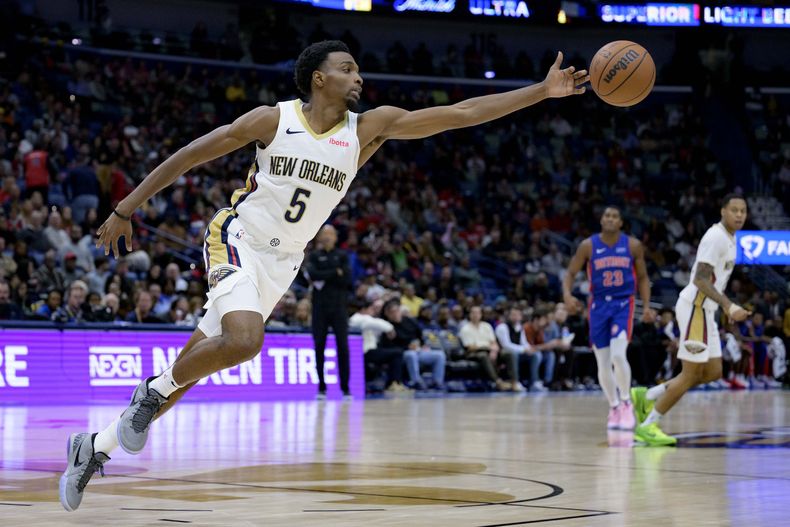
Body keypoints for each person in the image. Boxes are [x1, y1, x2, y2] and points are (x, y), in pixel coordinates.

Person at [61, 39, 588, 511]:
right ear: (320, 77)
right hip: (236, 237)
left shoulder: (368, 129)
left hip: (285, 261)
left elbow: (461, 113)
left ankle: (94, 447)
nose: (359, 77)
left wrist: (540, 92)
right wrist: (126, 208)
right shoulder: (273, 119)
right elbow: (192, 155)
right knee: (245, 342)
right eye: (348, 68)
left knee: (193, 368)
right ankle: (148, 394)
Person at [631, 195, 750, 446]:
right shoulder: (715, 237)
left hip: (706, 311)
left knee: (713, 371)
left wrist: (722, 308)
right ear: (722, 211)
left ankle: (647, 395)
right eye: (734, 210)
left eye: (743, 211)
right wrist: (728, 305)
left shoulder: (731, 239)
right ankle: (648, 425)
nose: (739, 215)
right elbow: (700, 280)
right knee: (690, 374)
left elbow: (715, 281)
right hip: (695, 308)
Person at [563, 206, 654, 431]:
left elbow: (642, 277)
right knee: (602, 362)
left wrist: (648, 307)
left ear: (621, 222)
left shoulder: (632, 245)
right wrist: (567, 295)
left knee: (617, 355)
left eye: (615, 216)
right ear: (601, 220)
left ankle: (625, 402)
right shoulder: (588, 245)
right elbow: (571, 273)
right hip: (598, 305)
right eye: (607, 216)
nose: (610, 219)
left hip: (623, 303)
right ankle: (613, 407)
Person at [306, 224, 352, 399]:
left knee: (343, 347)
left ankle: (345, 388)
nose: (327, 237)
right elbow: (313, 274)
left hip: (339, 307)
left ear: (335, 237)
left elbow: (347, 278)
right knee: (319, 346)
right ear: (318, 237)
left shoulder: (342, 255)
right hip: (320, 308)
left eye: (330, 234)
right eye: (324, 234)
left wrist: (326, 274)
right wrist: (335, 272)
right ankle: (321, 387)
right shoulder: (315, 256)